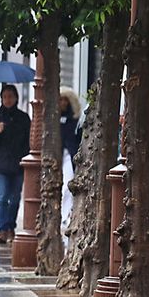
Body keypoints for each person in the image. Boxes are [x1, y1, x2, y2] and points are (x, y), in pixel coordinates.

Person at [0, 83, 32, 244]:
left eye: (10, 96)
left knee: (15, 198)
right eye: (5, 97)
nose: (8, 100)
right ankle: (2, 229)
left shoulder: (23, 118)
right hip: (0, 166)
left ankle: (11, 226)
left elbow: (29, 141)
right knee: (2, 197)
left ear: (16, 98)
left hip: (18, 165)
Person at [58, 87, 83, 223]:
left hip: (69, 157)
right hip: (56, 156)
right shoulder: (53, 121)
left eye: (64, 100)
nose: (62, 103)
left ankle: (66, 215)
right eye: (60, 99)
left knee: (67, 186)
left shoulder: (74, 122)